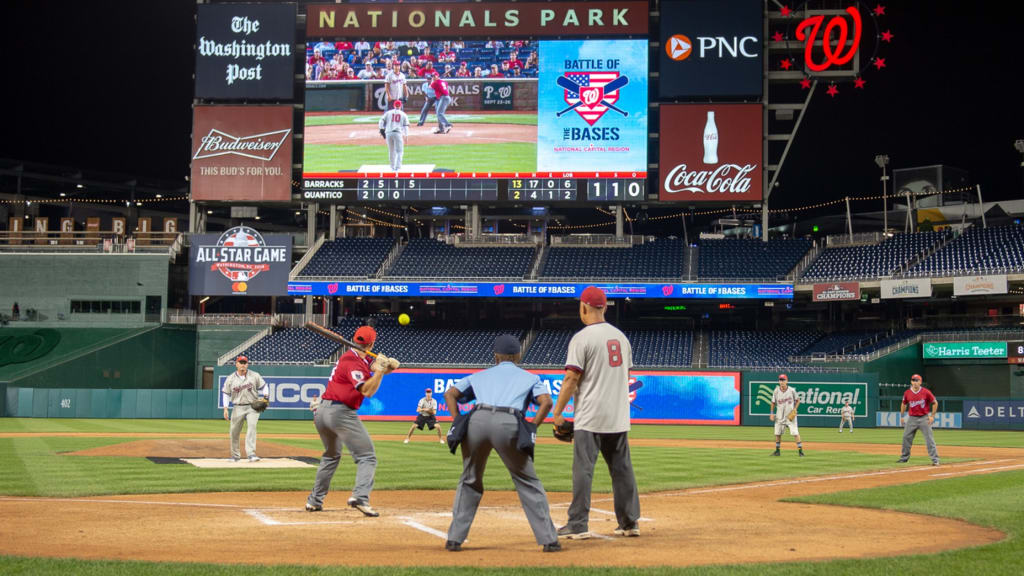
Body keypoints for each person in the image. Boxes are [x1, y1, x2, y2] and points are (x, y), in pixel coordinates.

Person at [443, 334, 561, 553]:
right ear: (518, 356)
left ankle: (454, 539)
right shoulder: (530, 377)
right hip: (509, 422)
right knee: (527, 479)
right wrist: (532, 425)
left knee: (469, 478)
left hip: (477, 420)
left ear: (496, 356)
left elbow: (450, 394)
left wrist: (458, 419)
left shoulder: (479, 375)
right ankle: (549, 540)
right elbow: (546, 402)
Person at [551, 286, 641, 540]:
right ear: (605, 308)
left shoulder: (583, 337)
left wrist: (558, 413)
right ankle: (629, 522)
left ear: (584, 307)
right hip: (618, 416)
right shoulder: (621, 337)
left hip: (590, 417)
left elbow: (571, 378)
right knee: (622, 470)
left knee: (583, 469)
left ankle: (578, 524)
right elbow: (627, 376)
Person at [306, 326, 397, 516]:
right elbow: (367, 391)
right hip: (340, 412)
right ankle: (361, 497)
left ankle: (314, 501)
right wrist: (380, 372)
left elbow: (373, 367)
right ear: (372, 343)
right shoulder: (352, 362)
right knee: (367, 456)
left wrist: (387, 367)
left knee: (331, 456)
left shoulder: (357, 358)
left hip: (323, 412)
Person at [221, 355, 268, 462]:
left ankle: (251, 454)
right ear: (236, 364)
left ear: (247, 364)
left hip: (253, 406)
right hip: (237, 407)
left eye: (244, 363)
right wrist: (225, 408)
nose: (243, 365)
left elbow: (264, 386)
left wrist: (266, 397)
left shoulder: (254, 375)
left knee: (252, 428)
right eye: (240, 363)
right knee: (234, 432)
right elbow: (226, 394)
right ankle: (235, 455)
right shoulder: (230, 378)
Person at [898, 374, 939, 466]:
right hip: (912, 418)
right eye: (913, 380)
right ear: (911, 382)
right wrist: (901, 416)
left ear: (920, 382)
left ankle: (935, 459)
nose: (915, 382)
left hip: (924, 418)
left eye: (917, 380)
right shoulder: (907, 393)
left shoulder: (926, 392)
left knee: (929, 439)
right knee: (906, 438)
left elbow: (935, 403)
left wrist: (932, 416)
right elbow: (903, 404)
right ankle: (904, 458)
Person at [770, 374, 804, 457]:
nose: (782, 382)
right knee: (777, 434)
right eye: (780, 380)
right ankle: (777, 451)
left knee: (795, 433)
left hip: (790, 416)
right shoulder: (776, 391)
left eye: (783, 380)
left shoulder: (792, 390)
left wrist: (795, 409)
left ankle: (800, 452)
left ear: (787, 381)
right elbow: (773, 402)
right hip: (779, 416)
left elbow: (798, 400)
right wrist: (771, 413)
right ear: (779, 381)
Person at [379, 100, 409, 171]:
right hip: (398, 133)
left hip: (388, 133)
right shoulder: (403, 114)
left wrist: (381, 129)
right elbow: (406, 126)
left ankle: (392, 167)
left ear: (394, 105)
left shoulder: (388, 113)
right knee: (399, 151)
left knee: (391, 151)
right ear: (401, 106)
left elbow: (381, 121)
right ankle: (397, 167)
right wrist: (406, 135)